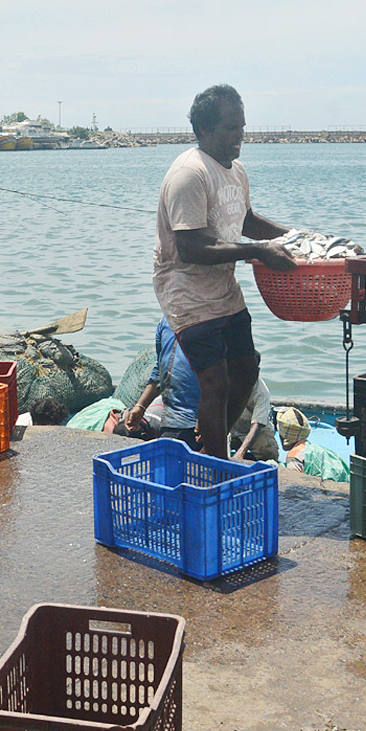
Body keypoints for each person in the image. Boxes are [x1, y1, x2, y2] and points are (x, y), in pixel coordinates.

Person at [152, 84, 298, 459]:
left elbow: (244, 218)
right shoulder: (189, 174)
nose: (240, 136)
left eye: (242, 127)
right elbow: (190, 247)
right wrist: (259, 252)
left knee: (247, 369)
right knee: (214, 384)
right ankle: (215, 467)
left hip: (223, 287)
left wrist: (294, 236)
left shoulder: (236, 172)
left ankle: (210, 435)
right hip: (186, 292)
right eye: (231, 128)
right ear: (203, 130)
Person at [122, 316, 203, 450]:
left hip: (196, 422)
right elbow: (159, 371)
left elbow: (226, 376)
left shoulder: (210, 324)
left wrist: (208, 415)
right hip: (171, 418)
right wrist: (140, 407)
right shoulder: (164, 322)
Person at [230, 375, 279, 462]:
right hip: (231, 429)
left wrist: (241, 452)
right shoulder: (224, 380)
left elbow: (257, 424)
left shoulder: (261, 391)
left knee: (268, 453)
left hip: (255, 431)